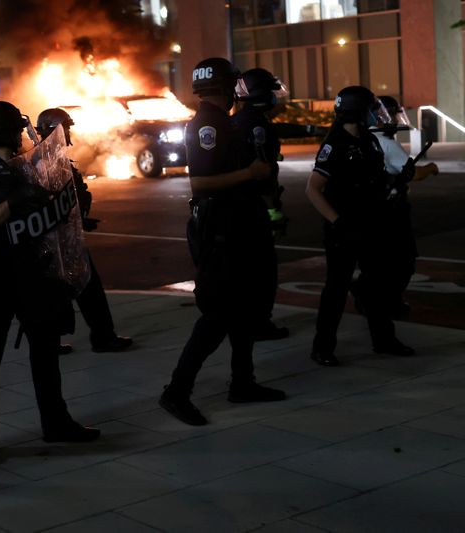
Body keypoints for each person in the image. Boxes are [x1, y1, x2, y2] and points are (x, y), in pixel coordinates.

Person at [0, 101, 100, 463]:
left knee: (46, 355)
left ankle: (56, 423)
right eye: (19, 131)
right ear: (7, 131)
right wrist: (15, 201)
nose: (24, 136)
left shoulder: (31, 167)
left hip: (35, 274)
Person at [159, 58, 286, 427]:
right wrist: (249, 173)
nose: (237, 92)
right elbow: (200, 183)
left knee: (245, 309)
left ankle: (243, 382)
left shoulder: (220, 122)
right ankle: (176, 392)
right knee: (218, 315)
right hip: (222, 232)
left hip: (239, 227)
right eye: (233, 85)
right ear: (224, 87)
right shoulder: (206, 125)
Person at [305, 86, 415, 367]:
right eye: (370, 109)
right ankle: (323, 347)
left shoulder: (369, 140)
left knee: (375, 285)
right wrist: (338, 223)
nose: (375, 114)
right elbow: (313, 189)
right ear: (357, 112)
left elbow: (373, 182)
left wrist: (398, 180)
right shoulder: (336, 144)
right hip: (344, 229)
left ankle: (384, 340)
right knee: (337, 288)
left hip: (370, 225)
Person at [35, 108, 133, 354]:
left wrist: (81, 221)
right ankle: (100, 337)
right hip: (56, 241)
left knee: (68, 290)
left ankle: (60, 341)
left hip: (65, 236)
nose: (69, 134)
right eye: (65, 129)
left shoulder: (54, 159)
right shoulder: (43, 163)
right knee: (83, 289)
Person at [351, 95, 439, 319]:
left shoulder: (365, 140)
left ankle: (369, 294)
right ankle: (386, 301)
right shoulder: (387, 144)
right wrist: (430, 167)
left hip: (369, 210)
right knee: (402, 261)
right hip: (392, 211)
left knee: (378, 260)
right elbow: (414, 174)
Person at [232, 67, 290, 342]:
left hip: (240, 209)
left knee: (247, 271)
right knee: (264, 271)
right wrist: (274, 212)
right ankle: (259, 323)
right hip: (255, 209)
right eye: (270, 92)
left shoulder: (238, 121)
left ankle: (247, 320)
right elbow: (263, 172)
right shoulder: (257, 126)